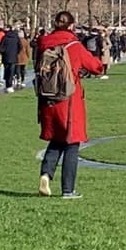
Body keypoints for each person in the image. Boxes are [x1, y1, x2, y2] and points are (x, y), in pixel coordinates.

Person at [36, 11, 104, 199]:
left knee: (56, 139)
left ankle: (46, 174)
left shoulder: (43, 44)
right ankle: (68, 189)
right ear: (72, 26)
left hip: (48, 98)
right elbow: (95, 66)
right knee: (72, 142)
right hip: (69, 98)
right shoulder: (73, 45)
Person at [0, 26, 22, 93]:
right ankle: (10, 85)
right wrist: (16, 52)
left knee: (7, 71)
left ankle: (7, 85)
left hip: (6, 57)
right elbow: (20, 47)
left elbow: (1, 48)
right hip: (14, 57)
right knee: (11, 72)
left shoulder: (4, 38)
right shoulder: (16, 38)